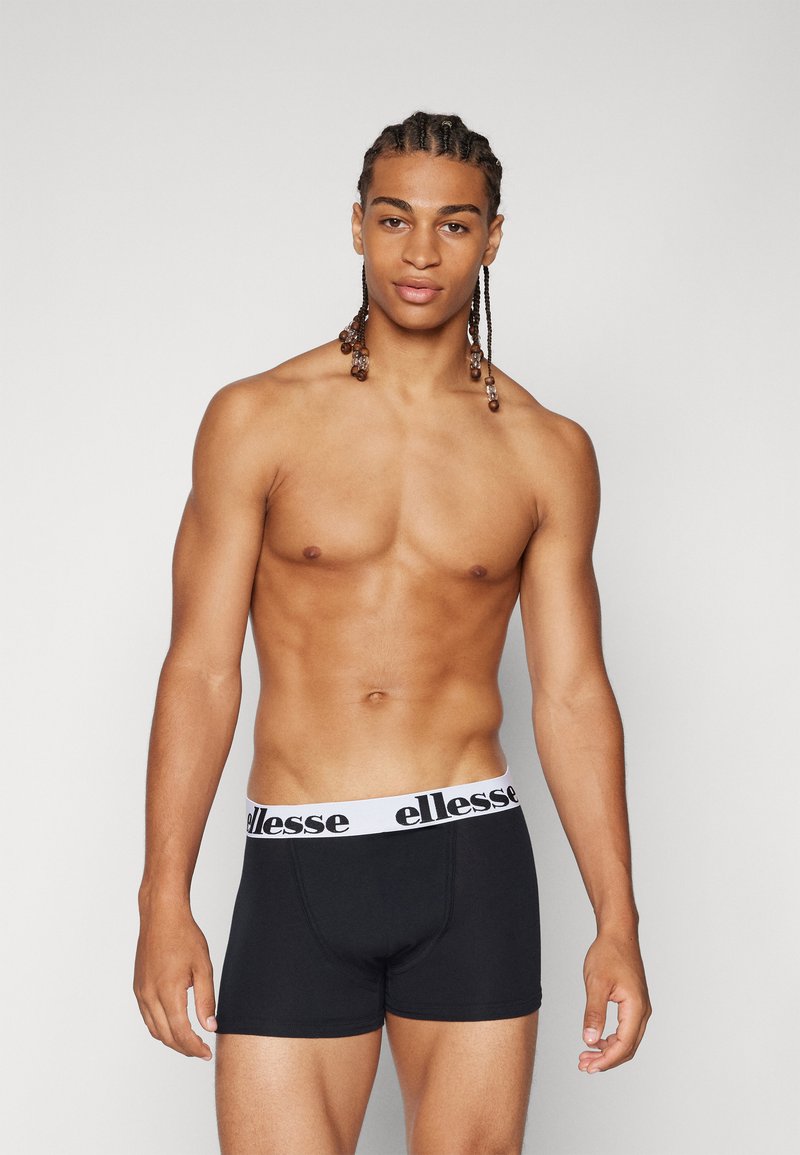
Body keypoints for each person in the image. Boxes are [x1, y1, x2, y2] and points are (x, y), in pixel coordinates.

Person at [134, 109, 652, 1155]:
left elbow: (570, 692)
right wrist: (163, 897)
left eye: (453, 224)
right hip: (297, 862)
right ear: (357, 226)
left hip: (468, 858)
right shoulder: (256, 418)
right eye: (394, 219)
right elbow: (200, 670)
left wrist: (617, 919)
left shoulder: (546, 450)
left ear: (492, 238)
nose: (421, 252)